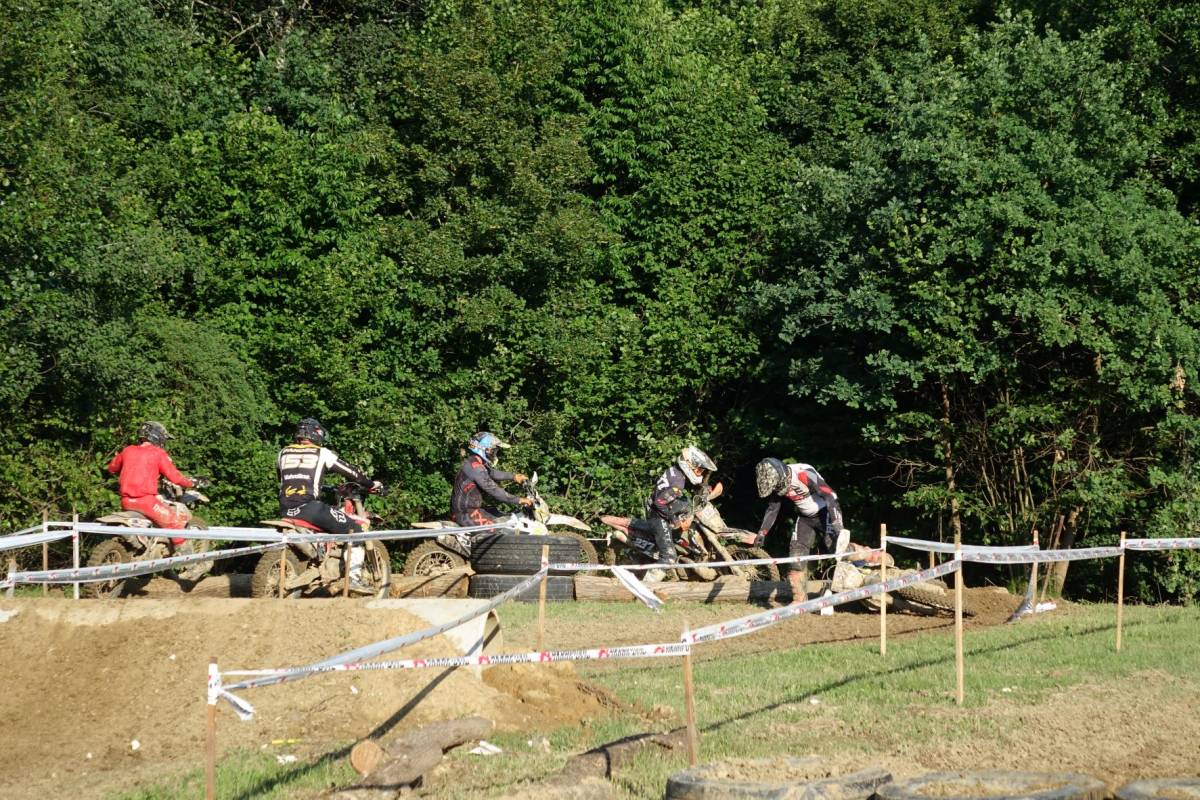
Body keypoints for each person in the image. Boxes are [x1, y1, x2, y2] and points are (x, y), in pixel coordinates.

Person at [278, 417, 383, 591]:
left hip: (285, 509)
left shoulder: (282, 453)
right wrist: (372, 485)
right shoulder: (322, 453)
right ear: (316, 434)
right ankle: (354, 580)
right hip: (310, 509)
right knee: (356, 529)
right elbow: (353, 473)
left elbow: (286, 480)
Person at [106, 421, 210, 578]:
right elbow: (175, 477)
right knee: (175, 524)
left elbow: (112, 468)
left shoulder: (128, 450)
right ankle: (192, 566)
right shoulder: (158, 454)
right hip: (146, 502)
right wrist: (192, 483)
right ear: (158, 437)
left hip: (126, 502)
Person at [754, 457, 847, 602]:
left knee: (837, 548)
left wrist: (836, 522)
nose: (777, 489)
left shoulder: (803, 473)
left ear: (782, 475)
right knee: (795, 559)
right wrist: (762, 532)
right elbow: (773, 508)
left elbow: (829, 494)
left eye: (777, 485)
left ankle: (869, 561)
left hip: (826, 511)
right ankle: (799, 601)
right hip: (805, 517)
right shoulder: (775, 480)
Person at [644, 446, 720, 572]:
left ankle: (678, 538)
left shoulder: (677, 472)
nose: (700, 473)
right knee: (669, 558)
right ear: (689, 465)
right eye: (699, 470)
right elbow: (659, 503)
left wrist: (706, 488)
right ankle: (648, 583)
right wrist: (675, 520)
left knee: (688, 503)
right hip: (656, 514)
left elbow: (692, 487)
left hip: (658, 504)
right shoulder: (678, 483)